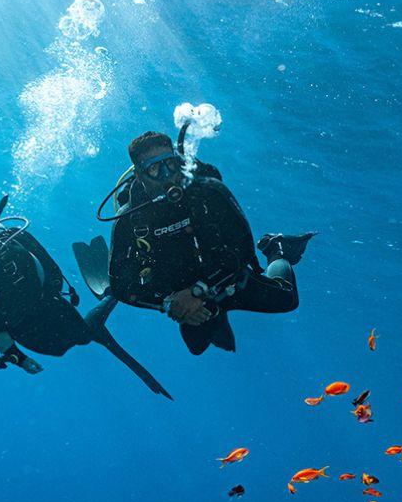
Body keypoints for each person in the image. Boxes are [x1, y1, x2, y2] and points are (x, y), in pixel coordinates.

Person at [96, 131, 314, 355]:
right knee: (197, 347)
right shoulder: (129, 219)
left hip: (226, 276)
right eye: (154, 168)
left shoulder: (209, 191)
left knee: (287, 299)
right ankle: (214, 314)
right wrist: (168, 303)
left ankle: (276, 249)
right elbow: (121, 287)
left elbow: (244, 250)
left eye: (170, 164)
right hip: (178, 294)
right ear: (140, 176)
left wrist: (200, 290)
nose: (167, 175)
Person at [0, 216, 172, 398]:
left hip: (53, 309)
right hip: (29, 335)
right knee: (68, 344)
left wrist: (53, 296)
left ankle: (114, 293)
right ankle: (110, 296)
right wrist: (20, 360)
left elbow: (52, 271)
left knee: (87, 335)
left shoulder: (15, 242)